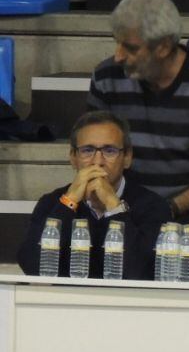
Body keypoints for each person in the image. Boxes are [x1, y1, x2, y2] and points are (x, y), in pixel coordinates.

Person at [87, 0, 189, 269]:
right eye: (117, 44)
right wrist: (112, 204)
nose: (119, 56)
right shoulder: (106, 78)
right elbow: (91, 150)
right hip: (118, 206)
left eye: (131, 48)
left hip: (186, 215)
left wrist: (167, 209)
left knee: (169, 248)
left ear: (163, 47)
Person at [17, 111, 171, 280]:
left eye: (109, 150)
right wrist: (68, 203)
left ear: (127, 157)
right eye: (87, 150)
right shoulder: (52, 203)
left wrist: (114, 206)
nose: (98, 161)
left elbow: (140, 272)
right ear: (73, 157)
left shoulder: (153, 206)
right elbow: (32, 267)